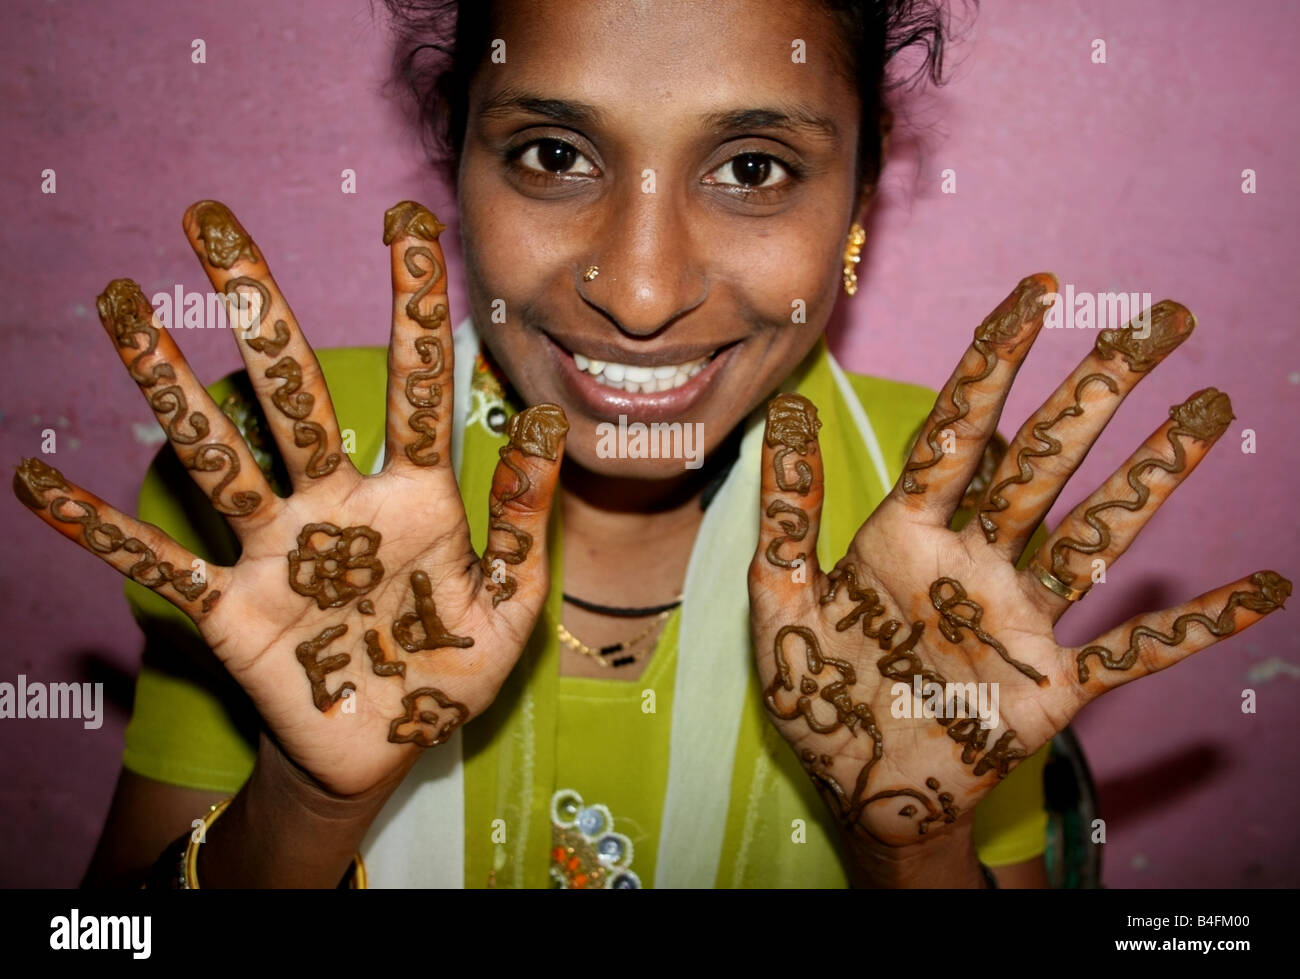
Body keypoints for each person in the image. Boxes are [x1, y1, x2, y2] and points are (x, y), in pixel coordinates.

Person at [15, 0, 1288, 889]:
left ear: (859, 200)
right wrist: (305, 803)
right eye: (554, 154)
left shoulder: (948, 516)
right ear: (458, 163)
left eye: (750, 168)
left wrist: (910, 851)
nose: (637, 287)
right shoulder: (278, 482)